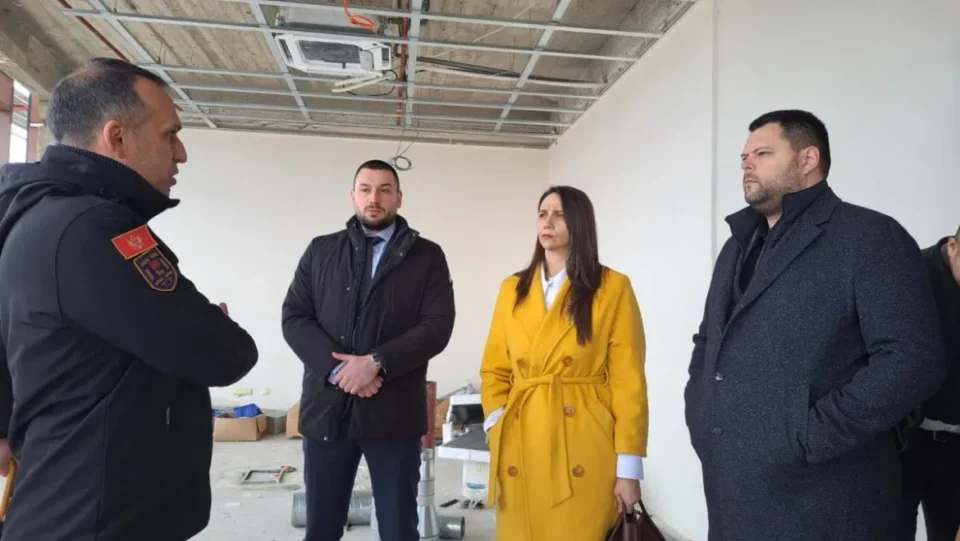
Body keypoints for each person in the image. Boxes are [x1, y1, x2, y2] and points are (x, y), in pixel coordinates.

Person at [0, 58, 259, 541]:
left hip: (68, 495)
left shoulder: (31, 214)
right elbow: (226, 354)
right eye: (170, 135)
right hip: (100, 510)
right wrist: (200, 324)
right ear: (117, 138)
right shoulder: (92, 230)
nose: (181, 153)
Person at [684, 109, 946, 541]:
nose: (747, 164)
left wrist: (809, 435)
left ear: (808, 159)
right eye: (744, 157)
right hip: (732, 486)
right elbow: (709, 339)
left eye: (763, 153)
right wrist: (700, 408)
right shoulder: (737, 246)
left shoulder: (869, 236)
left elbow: (912, 360)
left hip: (825, 494)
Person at [281, 159, 455, 541]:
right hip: (328, 412)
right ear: (353, 195)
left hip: (394, 414)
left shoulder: (427, 257)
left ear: (399, 198)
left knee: (398, 529)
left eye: (384, 190)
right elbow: (295, 317)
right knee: (321, 529)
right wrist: (340, 372)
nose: (374, 198)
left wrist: (376, 363)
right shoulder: (321, 251)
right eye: (366, 189)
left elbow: (437, 326)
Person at [479, 185, 649, 541]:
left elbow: (628, 381)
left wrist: (628, 468)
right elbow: (495, 368)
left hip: (584, 438)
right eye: (542, 214)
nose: (548, 222)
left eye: (559, 215)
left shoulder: (612, 287)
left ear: (580, 223)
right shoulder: (512, 288)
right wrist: (496, 422)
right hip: (521, 436)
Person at [899, 225, 960, 541]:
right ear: (953, 246)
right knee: (888, 531)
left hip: (955, 448)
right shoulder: (908, 273)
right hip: (902, 441)